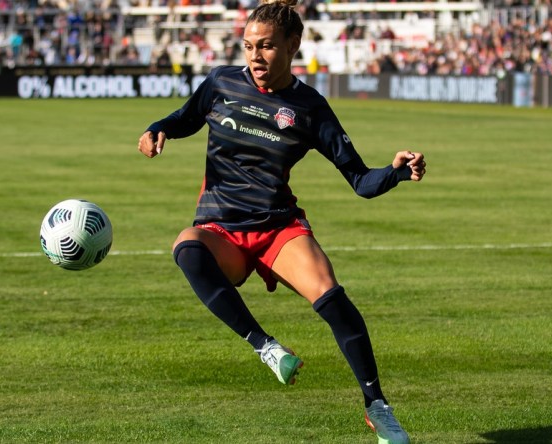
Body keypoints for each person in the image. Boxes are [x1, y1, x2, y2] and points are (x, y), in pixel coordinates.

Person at [137, 0, 425, 442]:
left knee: (333, 300)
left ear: (293, 46)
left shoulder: (310, 108)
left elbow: (360, 180)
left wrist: (397, 172)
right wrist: (157, 129)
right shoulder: (220, 82)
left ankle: (378, 407)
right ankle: (266, 347)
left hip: (277, 227)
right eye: (249, 46)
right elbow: (184, 119)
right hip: (221, 228)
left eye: (267, 46)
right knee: (185, 247)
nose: (255, 56)